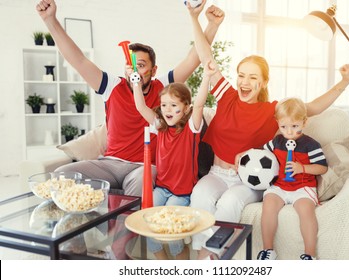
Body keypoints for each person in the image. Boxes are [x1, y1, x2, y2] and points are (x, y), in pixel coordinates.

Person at [186, 0, 349, 259]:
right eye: (241, 75)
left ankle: (214, 259)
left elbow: (312, 108)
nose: (245, 82)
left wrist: (344, 82)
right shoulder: (227, 95)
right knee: (200, 195)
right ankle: (200, 260)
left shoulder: (273, 111)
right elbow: (205, 55)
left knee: (230, 203)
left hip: (248, 179)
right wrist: (194, 18)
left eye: (253, 77)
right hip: (217, 173)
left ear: (263, 82)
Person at [35, 0, 225, 196]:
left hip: (143, 167)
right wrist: (50, 20)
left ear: (153, 70)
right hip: (109, 164)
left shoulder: (163, 87)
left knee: (141, 182)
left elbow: (192, 60)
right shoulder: (111, 86)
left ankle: (128, 225)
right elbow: (78, 59)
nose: (135, 70)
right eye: (130, 65)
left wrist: (211, 25)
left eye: (141, 65)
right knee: (60, 175)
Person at [128, 58, 217, 259]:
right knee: (147, 218)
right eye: (164, 105)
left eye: (173, 105)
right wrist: (136, 83)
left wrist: (207, 77)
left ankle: (180, 263)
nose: (168, 109)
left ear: (186, 108)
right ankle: (164, 263)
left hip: (182, 193)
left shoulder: (191, 129)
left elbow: (200, 104)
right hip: (162, 188)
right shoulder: (160, 127)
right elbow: (141, 107)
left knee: (169, 221)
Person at [258, 97, 327, 260]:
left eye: (295, 126)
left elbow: (322, 167)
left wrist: (301, 168)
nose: (289, 132)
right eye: (284, 127)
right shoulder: (276, 141)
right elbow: (261, 153)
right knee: (268, 206)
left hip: (303, 187)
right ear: (278, 123)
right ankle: (268, 250)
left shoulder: (311, 145)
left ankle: (309, 255)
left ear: (304, 122)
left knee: (306, 211)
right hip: (280, 186)